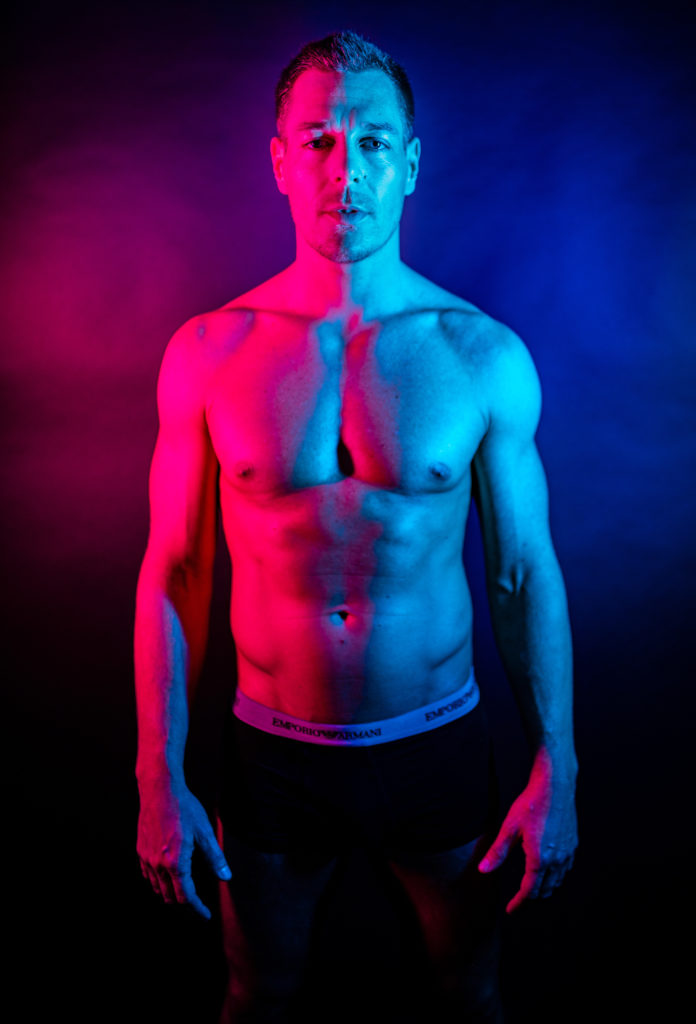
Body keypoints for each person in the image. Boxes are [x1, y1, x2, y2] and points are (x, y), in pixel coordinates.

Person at [135, 30, 578, 1023]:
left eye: (373, 142)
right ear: (281, 160)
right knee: (258, 995)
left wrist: (560, 763)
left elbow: (522, 573)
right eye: (320, 141)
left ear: (409, 164)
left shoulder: (480, 355)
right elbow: (175, 572)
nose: (347, 169)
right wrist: (156, 771)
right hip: (272, 754)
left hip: (436, 743)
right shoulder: (208, 353)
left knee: (471, 995)